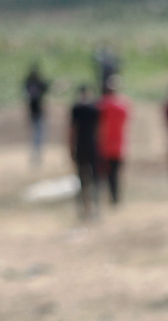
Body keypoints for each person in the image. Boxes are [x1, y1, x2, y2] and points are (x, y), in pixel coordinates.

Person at [96, 76, 131, 206]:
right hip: (119, 145)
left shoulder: (102, 105)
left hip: (104, 145)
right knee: (116, 175)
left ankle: (102, 198)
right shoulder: (123, 105)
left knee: (103, 174)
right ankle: (115, 198)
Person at [69, 85, 100, 220]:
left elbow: (72, 131)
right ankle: (95, 208)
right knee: (95, 179)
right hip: (93, 146)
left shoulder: (76, 109)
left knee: (81, 180)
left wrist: (70, 148)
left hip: (80, 147)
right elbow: (100, 129)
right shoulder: (95, 108)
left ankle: (84, 208)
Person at [23, 65, 50, 166]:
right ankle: (37, 152)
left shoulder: (29, 83)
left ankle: (36, 152)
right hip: (37, 111)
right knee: (38, 134)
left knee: (36, 134)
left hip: (33, 111)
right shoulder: (37, 83)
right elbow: (46, 88)